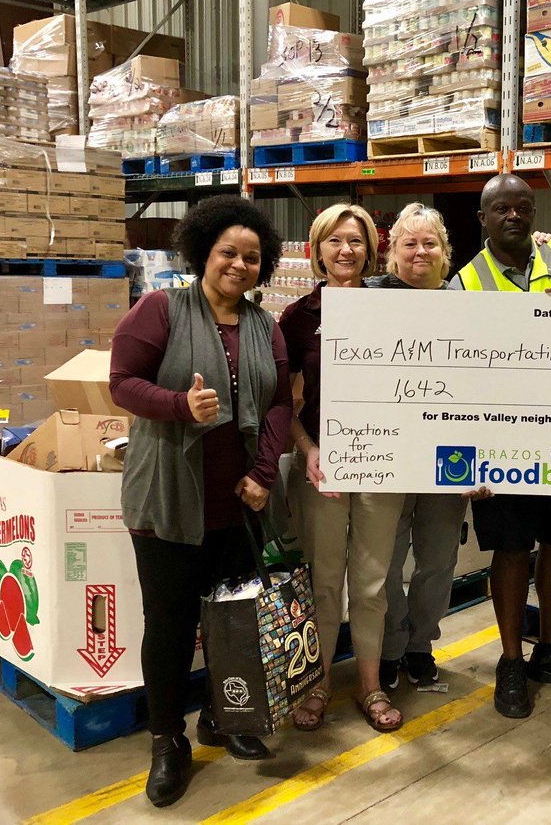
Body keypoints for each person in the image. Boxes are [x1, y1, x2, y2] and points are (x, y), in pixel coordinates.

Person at [110, 196, 292, 807]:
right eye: (228, 253)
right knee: (168, 626)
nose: (239, 265)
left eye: (252, 257)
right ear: (203, 253)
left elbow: (277, 404)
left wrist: (265, 471)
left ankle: (225, 715)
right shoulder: (161, 309)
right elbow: (122, 383)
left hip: (238, 502)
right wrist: (178, 407)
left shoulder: (265, 326)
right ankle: (169, 742)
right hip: (169, 497)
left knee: (232, 620)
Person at [448, 173, 551, 718]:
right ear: (482, 220)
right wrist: (464, 458)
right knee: (512, 550)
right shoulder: (464, 284)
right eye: (502, 209)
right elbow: (452, 376)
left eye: (523, 207)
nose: (515, 216)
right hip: (501, 442)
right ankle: (511, 660)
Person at [280, 203, 406, 734]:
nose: (345, 250)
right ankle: (319, 685)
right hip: (322, 468)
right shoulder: (298, 317)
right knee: (325, 582)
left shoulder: (399, 306)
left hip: (383, 462)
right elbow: (283, 403)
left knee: (373, 583)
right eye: (334, 241)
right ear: (316, 250)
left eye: (355, 240)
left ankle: (371, 686)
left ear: (371, 249)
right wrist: (308, 451)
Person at [365, 202, 470, 690]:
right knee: (384, 560)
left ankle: (420, 643)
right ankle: (389, 645)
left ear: (444, 252)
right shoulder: (367, 301)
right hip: (385, 450)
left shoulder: (468, 306)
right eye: (410, 243)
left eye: (430, 243)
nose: (420, 251)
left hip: (447, 455)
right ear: (393, 252)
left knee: (438, 558)